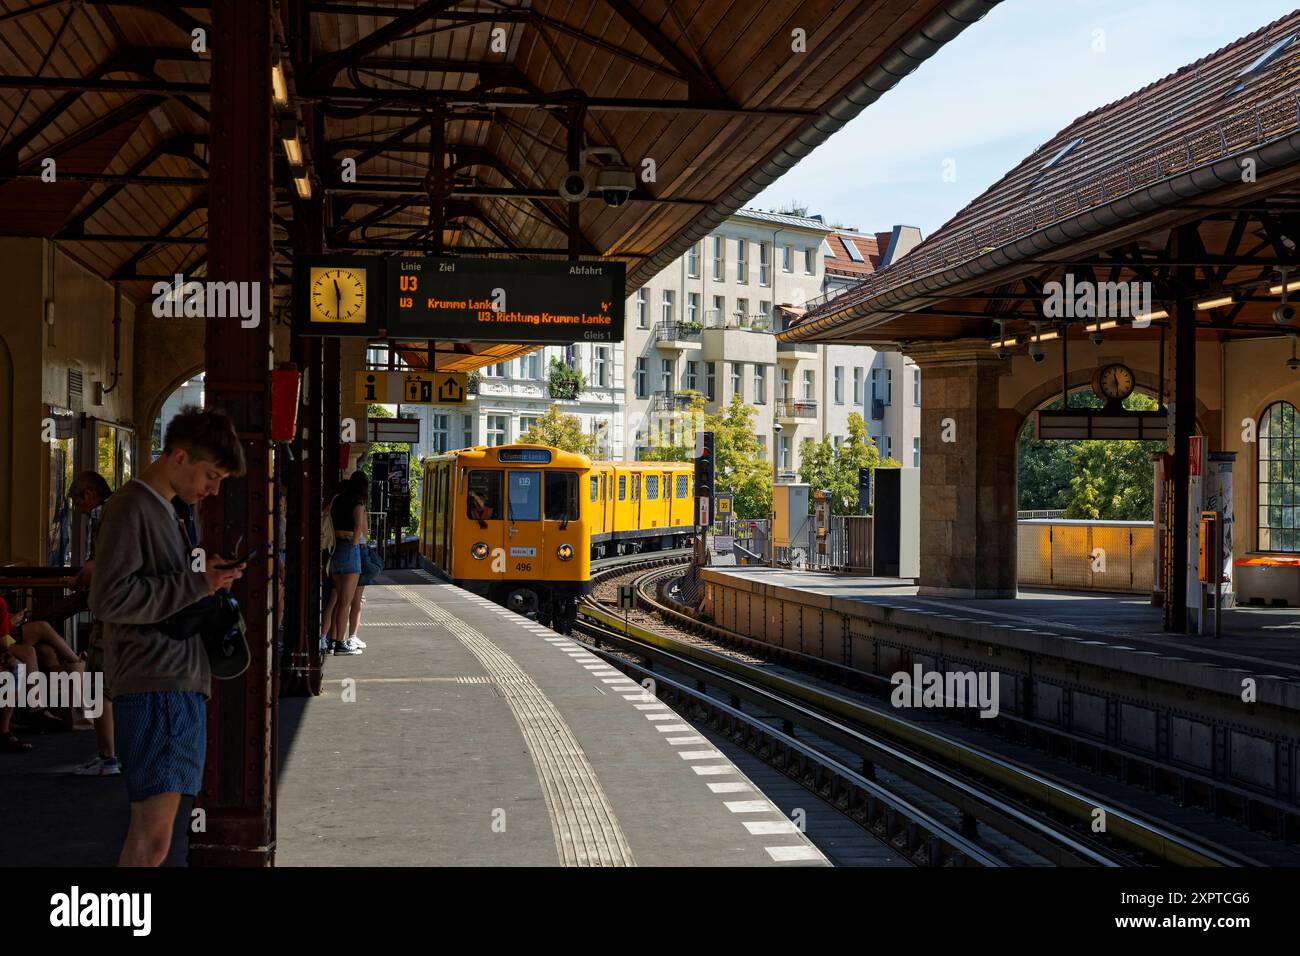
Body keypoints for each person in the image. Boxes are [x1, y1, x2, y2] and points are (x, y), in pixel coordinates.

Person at [89, 406, 247, 867]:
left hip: (169, 680)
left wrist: (204, 577)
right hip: (157, 682)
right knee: (152, 841)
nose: (214, 489)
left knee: (154, 837)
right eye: (210, 475)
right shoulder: (133, 507)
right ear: (179, 457)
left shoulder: (165, 509)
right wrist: (198, 584)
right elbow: (110, 598)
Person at [69, 470, 119, 775]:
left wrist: (78, 580)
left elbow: (94, 566)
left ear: (89, 495)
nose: (79, 510)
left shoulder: (101, 514)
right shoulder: (121, 511)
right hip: (126, 610)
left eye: (78, 503)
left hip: (108, 609)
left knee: (98, 683)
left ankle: (107, 756)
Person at [326, 471, 369, 656]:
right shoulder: (358, 503)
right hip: (350, 552)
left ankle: (333, 640)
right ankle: (340, 643)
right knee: (346, 601)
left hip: (334, 551)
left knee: (337, 601)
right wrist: (353, 544)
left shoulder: (337, 501)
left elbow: (328, 522)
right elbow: (360, 528)